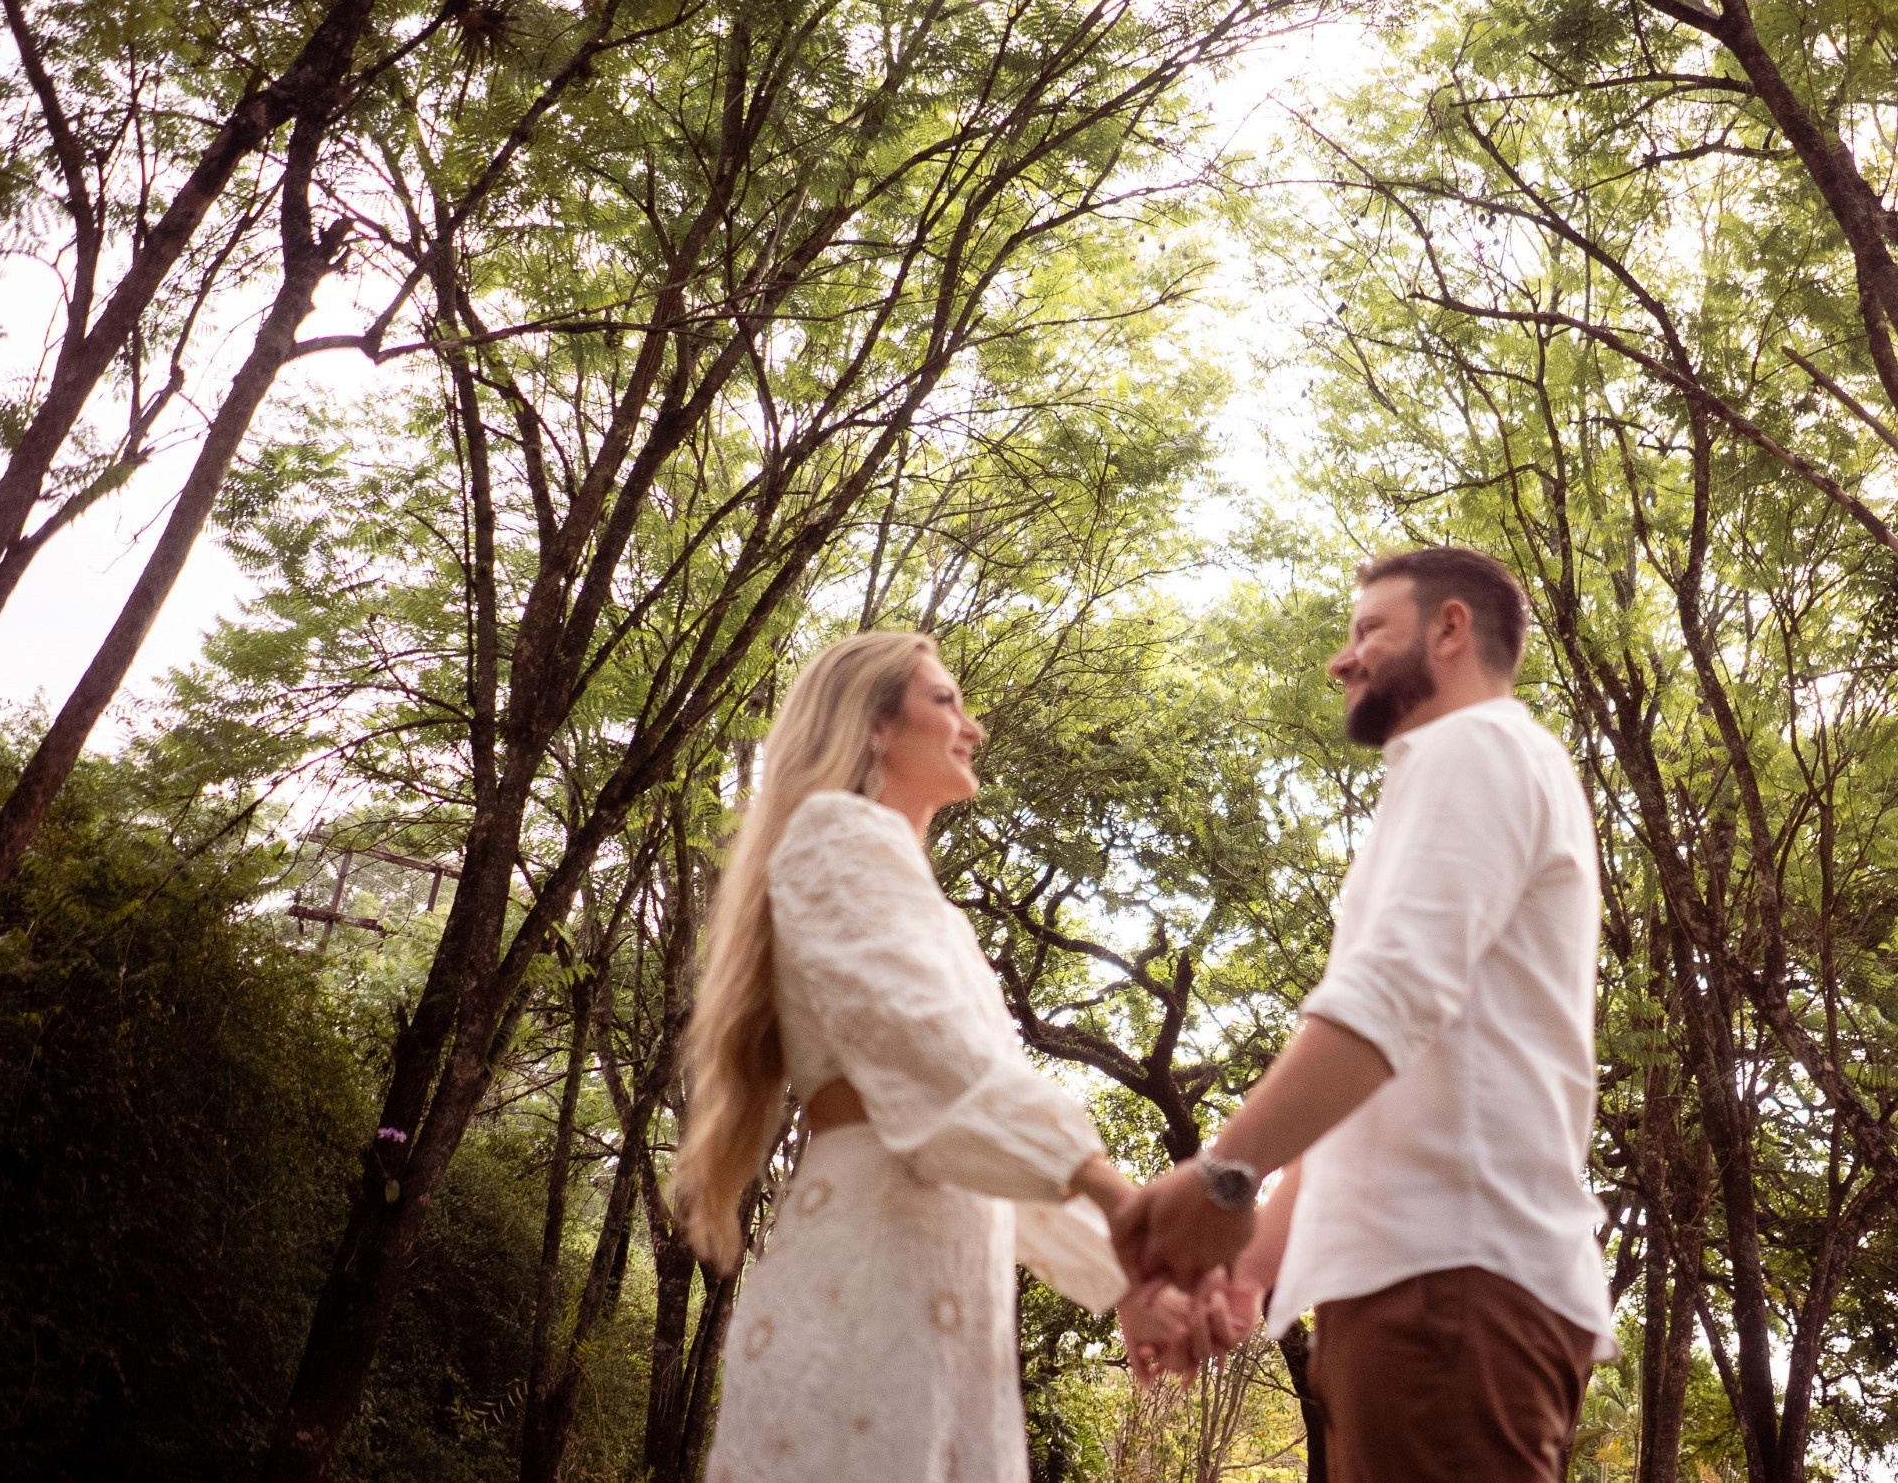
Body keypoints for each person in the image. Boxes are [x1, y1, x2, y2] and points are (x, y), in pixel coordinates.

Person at [674, 631, 1227, 1483]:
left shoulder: (915, 896)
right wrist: (1116, 1197)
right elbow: (936, 1071)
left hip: (941, 1296)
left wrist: (1123, 1283)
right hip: (865, 1288)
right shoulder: (834, 836)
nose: (974, 728)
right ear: (873, 727)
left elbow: (970, 1129)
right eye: (946, 701)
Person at [1114, 547, 1614, 1483]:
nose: (1341, 660)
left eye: (1367, 631)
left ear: (1450, 629)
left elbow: (1388, 997)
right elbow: (1372, 1083)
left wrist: (1223, 1174)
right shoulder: (1467, 773)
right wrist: (1252, 1270)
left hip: (1449, 1299)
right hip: (1419, 1299)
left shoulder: (1477, 746)